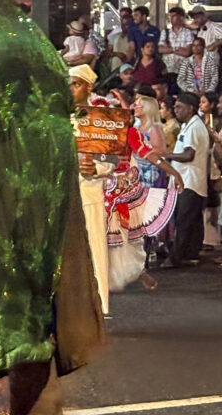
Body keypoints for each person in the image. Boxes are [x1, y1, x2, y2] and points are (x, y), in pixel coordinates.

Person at [104, 92, 182, 292]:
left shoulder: (130, 133)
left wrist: (174, 172)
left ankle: (135, 271)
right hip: (101, 188)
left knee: (126, 234)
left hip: (122, 191)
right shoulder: (100, 133)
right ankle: (103, 274)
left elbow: (152, 156)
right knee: (102, 233)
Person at [68, 64, 111, 313]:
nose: (71, 89)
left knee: (95, 248)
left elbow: (115, 159)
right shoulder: (60, 116)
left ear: (89, 86)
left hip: (90, 191)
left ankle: (101, 305)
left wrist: (97, 168)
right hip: (65, 192)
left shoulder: (102, 117)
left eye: (76, 84)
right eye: (69, 84)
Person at [164, 92, 211, 266]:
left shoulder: (194, 127)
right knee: (193, 221)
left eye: (179, 107)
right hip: (191, 180)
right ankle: (190, 254)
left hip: (189, 181)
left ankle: (176, 257)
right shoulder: (190, 125)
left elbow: (189, 154)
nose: (175, 110)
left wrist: (167, 155)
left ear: (190, 108)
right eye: (175, 107)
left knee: (184, 221)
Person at [199, 91, 221, 249]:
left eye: (204, 102)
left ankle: (213, 238)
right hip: (202, 163)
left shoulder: (218, 122)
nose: (201, 105)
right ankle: (206, 238)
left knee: (214, 199)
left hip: (214, 162)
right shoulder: (198, 121)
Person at [158, 6, 194, 76]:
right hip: (168, 69)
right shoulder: (165, 32)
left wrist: (169, 49)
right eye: (170, 16)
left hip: (183, 70)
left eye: (174, 16)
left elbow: (187, 52)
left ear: (181, 17)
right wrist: (177, 49)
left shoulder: (188, 33)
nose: (171, 19)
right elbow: (160, 49)